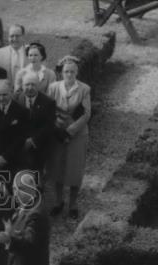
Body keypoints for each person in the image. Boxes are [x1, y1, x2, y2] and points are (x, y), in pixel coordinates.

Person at [47, 56, 91, 220]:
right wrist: (58, 128)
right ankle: (58, 202)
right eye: (66, 71)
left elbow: (86, 114)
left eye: (72, 72)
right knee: (57, 167)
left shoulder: (84, 89)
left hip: (77, 134)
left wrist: (69, 131)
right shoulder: (53, 87)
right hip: (57, 134)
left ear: (77, 72)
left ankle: (73, 204)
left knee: (75, 169)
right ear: (61, 72)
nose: (69, 74)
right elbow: (48, 109)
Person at [16, 71, 55, 174]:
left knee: (36, 175)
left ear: (38, 86)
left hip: (39, 145)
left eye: (33, 84)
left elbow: (49, 126)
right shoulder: (16, 99)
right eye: (27, 84)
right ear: (22, 85)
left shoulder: (48, 102)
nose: (30, 87)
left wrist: (33, 140)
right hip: (19, 145)